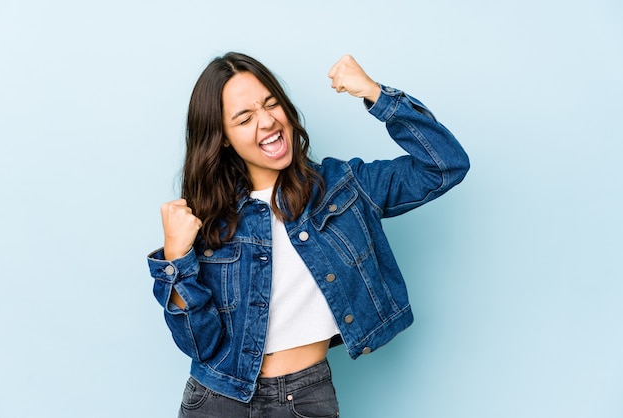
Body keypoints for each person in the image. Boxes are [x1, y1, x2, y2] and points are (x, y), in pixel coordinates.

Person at [147, 52, 469, 417]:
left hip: (305, 397)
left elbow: (445, 165)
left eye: (271, 104)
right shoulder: (208, 219)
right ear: (222, 138)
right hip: (217, 400)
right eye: (245, 118)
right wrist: (175, 260)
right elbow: (198, 344)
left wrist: (376, 95)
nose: (267, 121)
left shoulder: (344, 188)